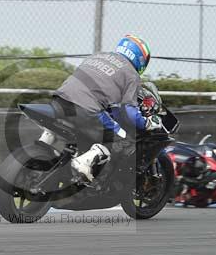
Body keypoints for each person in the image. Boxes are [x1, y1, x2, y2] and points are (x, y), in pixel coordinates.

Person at [51, 34, 161, 182]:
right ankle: (82, 164)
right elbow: (129, 111)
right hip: (86, 110)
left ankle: (53, 151)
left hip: (59, 100)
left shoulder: (97, 57)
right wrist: (147, 122)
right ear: (140, 58)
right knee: (123, 139)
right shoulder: (131, 74)